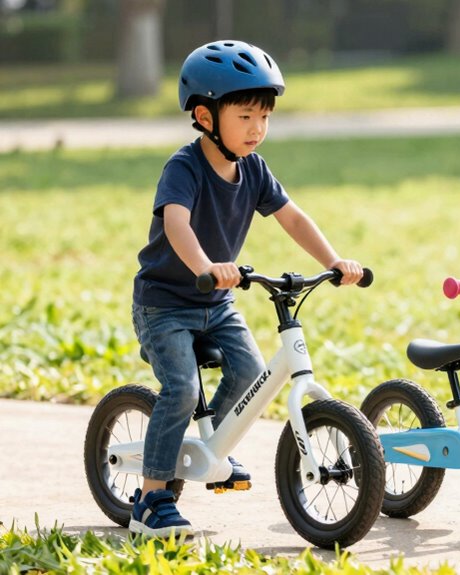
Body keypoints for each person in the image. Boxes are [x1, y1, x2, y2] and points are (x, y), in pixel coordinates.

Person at [129, 40, 364, 537]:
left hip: (216, 303)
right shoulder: (185, 167)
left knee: (252, 373)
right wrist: (207, 265)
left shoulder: (253, 169)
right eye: (245, 115)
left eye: (264, 116)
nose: (257, 128)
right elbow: (176, 224)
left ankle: (212, 446)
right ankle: (150, 498)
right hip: (165, 304)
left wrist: (334, 261)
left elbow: (293, 218)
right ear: (205, 116)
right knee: (181, 387)